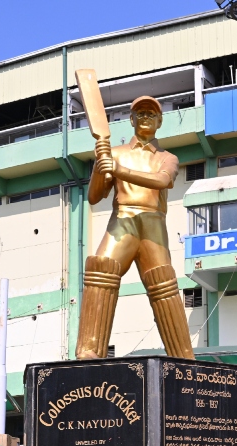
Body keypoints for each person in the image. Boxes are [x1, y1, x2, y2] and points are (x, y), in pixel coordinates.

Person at [74, 95, 192, 360]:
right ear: (131, 120)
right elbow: (94, 197)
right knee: (100, 268)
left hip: (152, 223)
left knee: (163, 283)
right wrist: (99, 166)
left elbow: (162, 181)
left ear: (160, 121)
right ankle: (90, 350)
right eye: (141, 113)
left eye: (152, 114)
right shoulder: (114, 153)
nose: (146, 117)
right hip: (123, 219)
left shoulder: (167, 158)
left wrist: (118, 169)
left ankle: (184, 358)